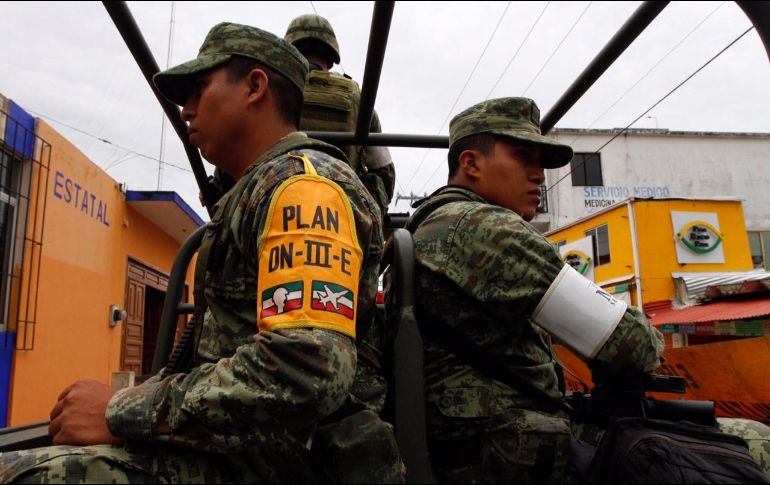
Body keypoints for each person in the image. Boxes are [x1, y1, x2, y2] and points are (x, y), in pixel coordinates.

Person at [0, 22, 390, 483]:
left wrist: (120, 410)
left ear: (255, 87)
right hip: (236, 447)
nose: (185, 110)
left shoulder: (303, 189)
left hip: (278, 462)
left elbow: (307, 370)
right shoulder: (257, 190)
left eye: (199, 89)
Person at [405, 97, 666, 483]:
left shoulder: (431, 223)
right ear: (471, 164)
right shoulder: (483, 228)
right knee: (739, 451)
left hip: (478, 451)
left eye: (540, 164)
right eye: (523, 157)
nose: (539, 176)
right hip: (502, 458)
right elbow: (633, 345)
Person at [284, 13, 396, 224]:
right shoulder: (359, 99)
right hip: (340, 216)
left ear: (289, 52)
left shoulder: (272, 89)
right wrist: (369, 212)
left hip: (276, 206)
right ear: (331, 59)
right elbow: (385, 173)